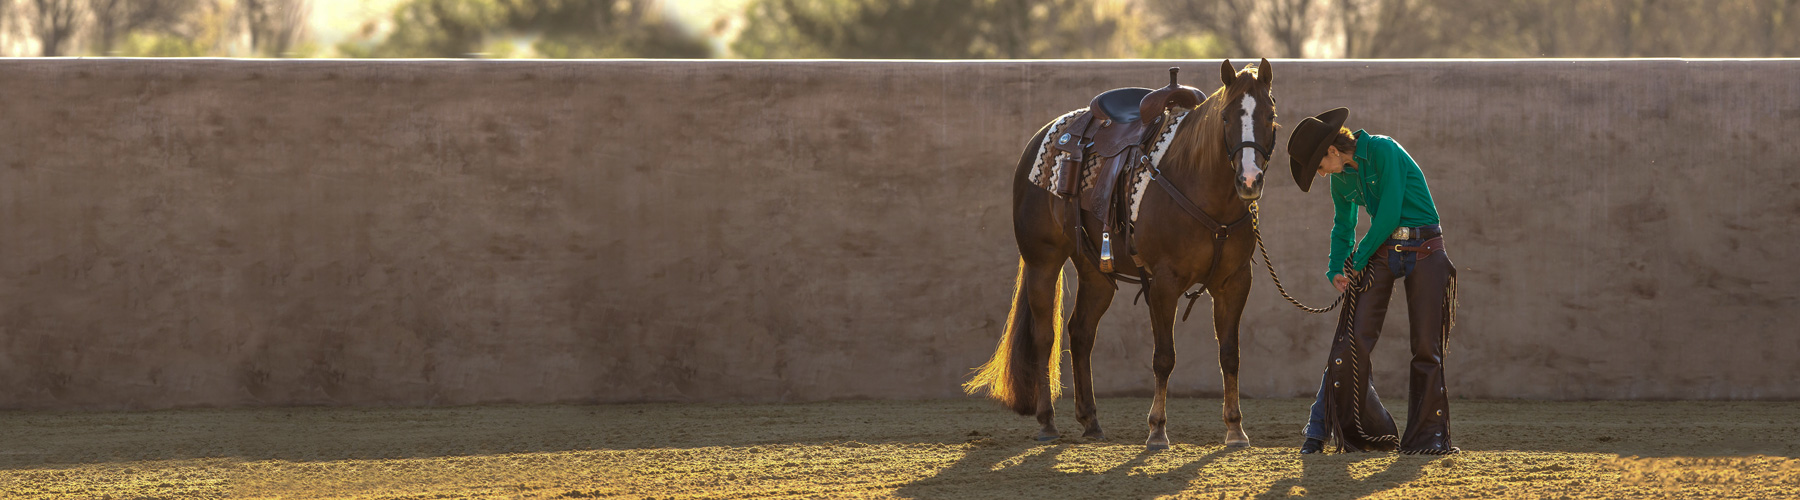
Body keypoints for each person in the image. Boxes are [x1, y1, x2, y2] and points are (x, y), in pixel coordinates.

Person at [1285, 108, 1459, 455]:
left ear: (1332, 151)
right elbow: (1343, 225)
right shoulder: (1341, 180)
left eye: (1318, 166)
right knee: (1350, 341)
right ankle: (1365, 434)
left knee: (1426, 348)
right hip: (1382, 249)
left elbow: (1391, 211)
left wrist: (1358, 259)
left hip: (1425, 247)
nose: (1320, 175)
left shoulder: (1383, 150)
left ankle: (1428, 440)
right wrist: (1337, 266)